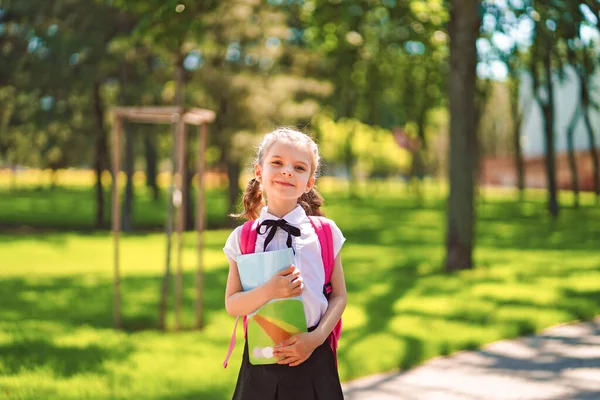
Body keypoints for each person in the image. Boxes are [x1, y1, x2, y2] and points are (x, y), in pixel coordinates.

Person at [223, 128, 347, 400]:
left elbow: (339, 296)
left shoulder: (325, 233)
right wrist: (269, 291)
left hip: (314, 357)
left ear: (309, 182)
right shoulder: (242, 238)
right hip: (261, 364)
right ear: (259, 171)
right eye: (277, 163)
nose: (287, 171)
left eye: (299, 167)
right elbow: (232, 303)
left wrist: (315, 340)